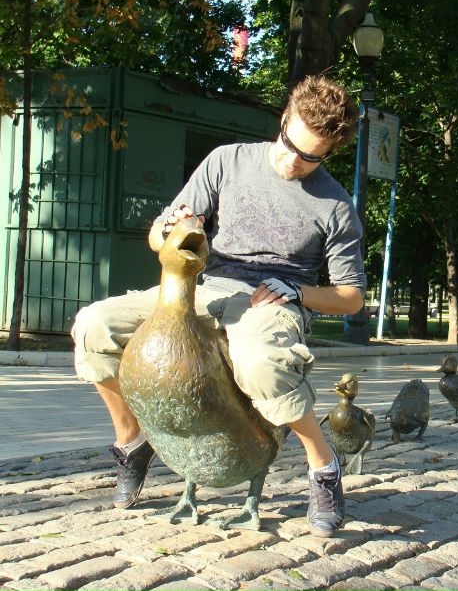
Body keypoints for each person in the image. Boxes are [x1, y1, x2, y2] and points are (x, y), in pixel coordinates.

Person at [71, 75, 364, 538]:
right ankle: (132, 444)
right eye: (291, 144)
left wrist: (297, 291)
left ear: (328, 152)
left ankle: (323, 467)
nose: (293, 161)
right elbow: (159, 239)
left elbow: (351, 298)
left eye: (311, 157)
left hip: (272, 302)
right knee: (93, 326)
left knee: (261, 365)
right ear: (284, 119)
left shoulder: (335, 206)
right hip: (206, 287)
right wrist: (170, 227)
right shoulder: (227, 161)